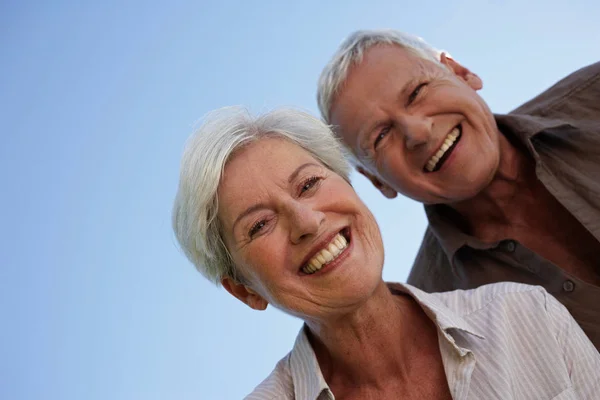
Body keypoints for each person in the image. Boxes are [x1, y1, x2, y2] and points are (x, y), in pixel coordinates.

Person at [171, 107, 600, 399]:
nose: (306, 222)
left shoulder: (523, 313)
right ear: (244, 291)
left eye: (308, 184)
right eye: (260, 225)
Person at [317, 29, 600, 349]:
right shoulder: (432, 324)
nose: (418, 133)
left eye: (416, 92)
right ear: (377, 181)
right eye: (381, 136)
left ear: (462, 73)